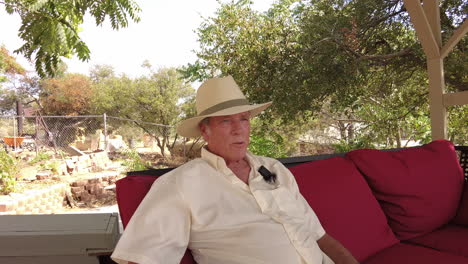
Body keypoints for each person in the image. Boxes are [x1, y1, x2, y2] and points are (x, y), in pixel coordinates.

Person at [111, 76, 359, 264]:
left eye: (244, 119)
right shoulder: (181, 184)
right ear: (204, 131)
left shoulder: (274, 169)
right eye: (226, 121)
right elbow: (141, 258)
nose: (239, 129)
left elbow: (320, 237)